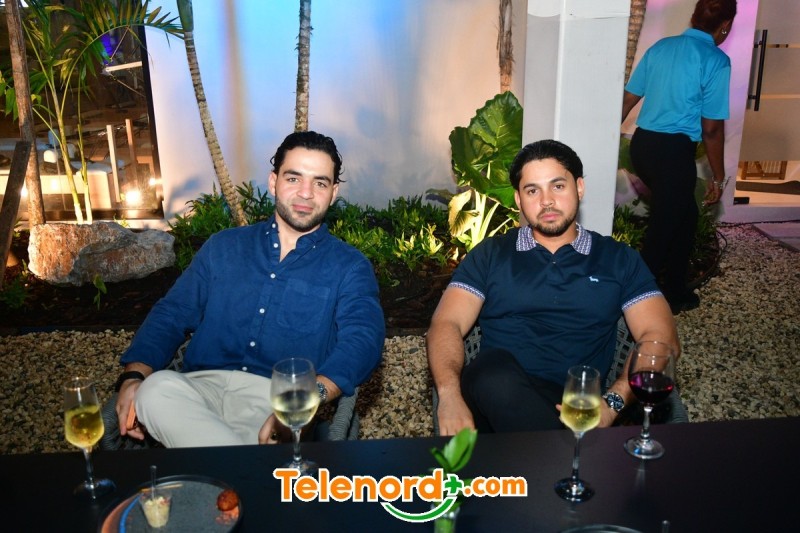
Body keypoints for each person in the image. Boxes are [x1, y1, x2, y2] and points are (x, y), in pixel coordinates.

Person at [113, 131, 385, 447]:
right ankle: (249, 470)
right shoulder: (223, 247)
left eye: (320, 183)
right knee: (154, 390)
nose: (306, 193)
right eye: (293, 178)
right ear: (273, 182)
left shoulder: (349, 266)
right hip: (196, 395)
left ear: (333, 193)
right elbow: (171, 313)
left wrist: (306, 398)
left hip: (277, 404)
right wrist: (133, 376)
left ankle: (232, 471)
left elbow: (363, 339)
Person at [426, 139, 679, 436]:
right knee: (492, 372)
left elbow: (661, 338)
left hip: (575, 405)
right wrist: (449, 395)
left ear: (579, 188)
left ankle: (549, 455)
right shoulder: (491, 255)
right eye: (532, 190)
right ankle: (566, 455)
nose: (546, 201)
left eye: (557, 186)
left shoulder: (618, 259)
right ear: (519, 200)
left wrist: (612, 403)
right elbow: (446, 323)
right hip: (495, 397)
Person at [621, 0, 737, 314]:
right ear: (725, 25)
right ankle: (631, 307)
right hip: (672, 154)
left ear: (693, 17)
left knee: (685, 219)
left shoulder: (661, 48)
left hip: (643, 147)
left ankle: (673, 290)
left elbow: (628, 99)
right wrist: (717, 176)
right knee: (662, 231)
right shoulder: (716, 60)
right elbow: (711, 128)